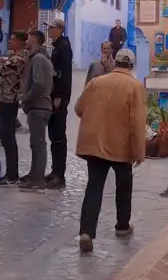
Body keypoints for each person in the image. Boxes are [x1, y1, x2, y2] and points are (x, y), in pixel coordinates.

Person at [74, 48, 147, 253]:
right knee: (124, 186)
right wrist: (139, 151)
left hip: (95, 143)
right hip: (121, 146)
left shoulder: (97, 82)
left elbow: (79, 108)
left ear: (115, 63)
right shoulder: (134, 87)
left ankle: (86, 232)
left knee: (94, 187)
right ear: (131, 66)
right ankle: (122, 226)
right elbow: (137, 123)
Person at [18, 30, 54, 191]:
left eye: (29, 38)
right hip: (39, 105)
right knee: (35, 143)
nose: (26, 41)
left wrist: (26, 97)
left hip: (39, 106)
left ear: (35, 40)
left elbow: (38, 84)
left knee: (38, 144)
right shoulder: (40, 58)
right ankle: (34, 175)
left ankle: (38, 180)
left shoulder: (39, 59)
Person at [0, 31, 28, 185]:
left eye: (13, 39)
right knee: (4, 135)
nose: (9, 41)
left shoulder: (18, 59)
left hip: (9, 101)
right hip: (4, 100)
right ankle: (11, 173)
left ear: (21, 42)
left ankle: (12, 175)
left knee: (8, 137)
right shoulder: (13, 57)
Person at [46, 17, 74, 189]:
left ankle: (59, 175)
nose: (49, 30)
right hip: (54, 95)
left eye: (51, 28)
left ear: (59, 29)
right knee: (53, 135)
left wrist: (59, 96)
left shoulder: (63, 47)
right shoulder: (58, 46)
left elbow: (62, 75)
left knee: (58, 137)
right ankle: (55, 171)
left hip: (59, 98)